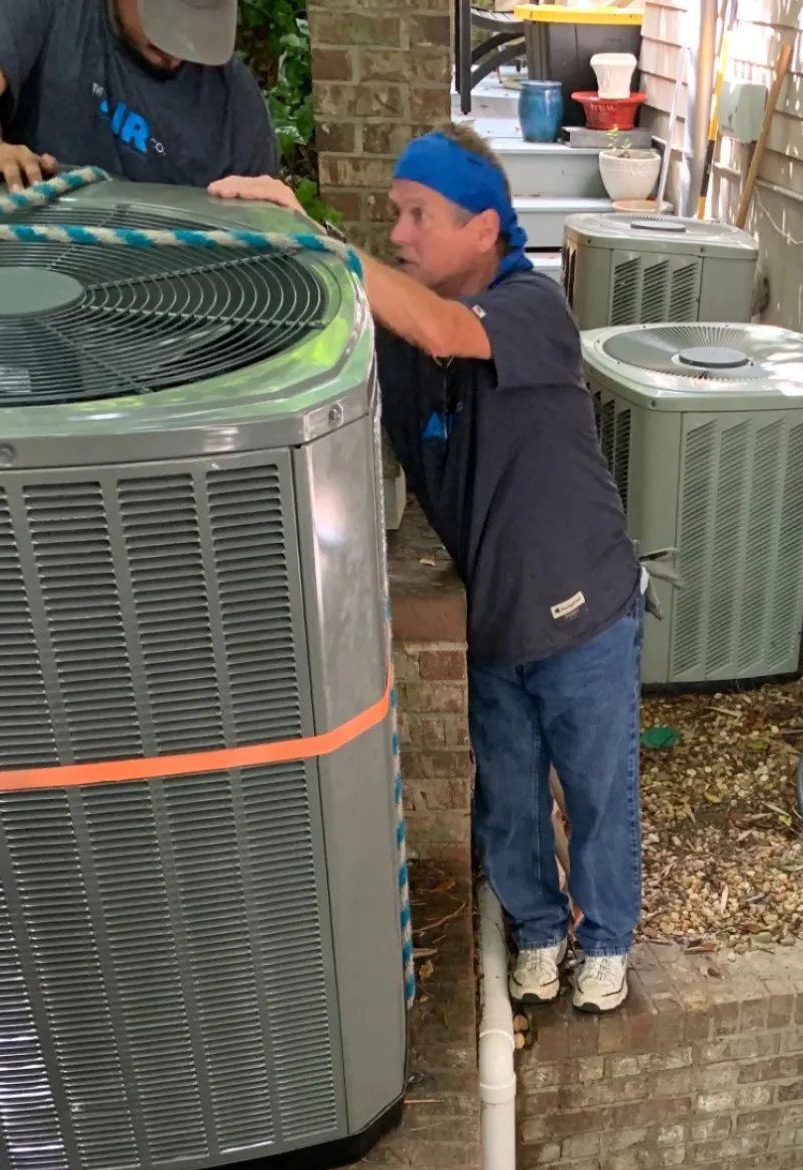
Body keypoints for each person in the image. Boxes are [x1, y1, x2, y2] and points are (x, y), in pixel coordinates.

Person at [214, 124, 647, 1013]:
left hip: (585, 613)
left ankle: (603, 941)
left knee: (600, 791)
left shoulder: (534, 308)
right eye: (392, 216)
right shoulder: (407, 346)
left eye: (418, 215)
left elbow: (446, 330)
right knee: (511, 799)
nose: (399, 234)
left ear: (484, 229)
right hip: (497, 620)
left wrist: (317, 237)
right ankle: (535, 931)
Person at [0, 0, 278, 194]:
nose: (179, 45)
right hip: (31, 263)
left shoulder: (237, 107)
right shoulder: (53, 9)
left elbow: (259, 243)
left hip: (165, 301)